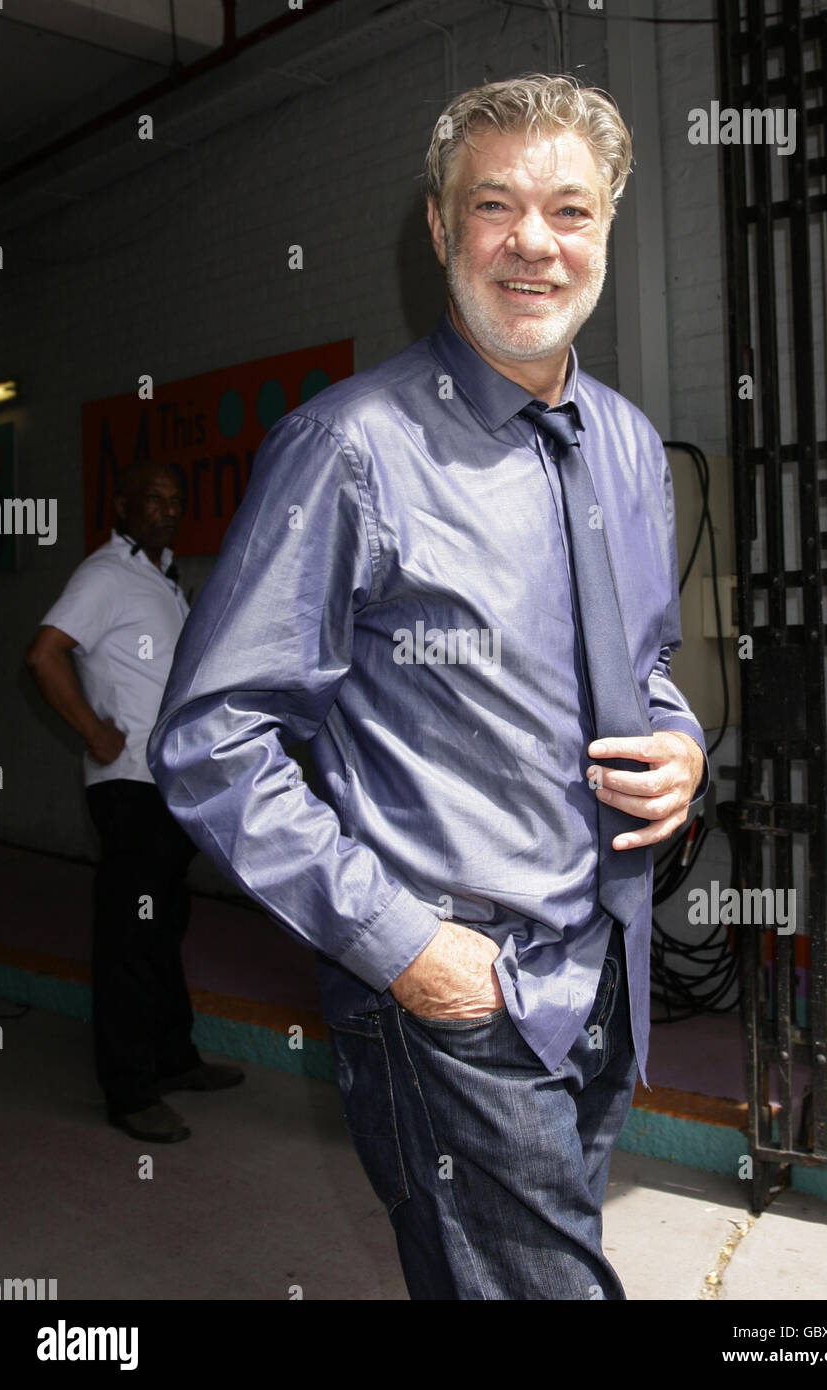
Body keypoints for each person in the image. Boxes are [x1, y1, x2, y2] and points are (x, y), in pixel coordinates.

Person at [147, 74, 708, 1297]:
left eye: (569, 209)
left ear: (605, 228)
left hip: (606, 968)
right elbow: (209, 740)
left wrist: (680, 741)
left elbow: (643, 661)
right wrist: (401, 946)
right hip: (455, 1000)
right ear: (441, 229)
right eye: (493, 204)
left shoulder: (622, 441)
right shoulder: (350, 448)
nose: (532, 241)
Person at [25, 461, 244, 1144]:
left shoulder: (162, 578)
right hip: (128, 786)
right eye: (152, 497)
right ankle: (129, 1091)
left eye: (175, 500)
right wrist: (92, 730)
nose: (165, 509)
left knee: (161, 927)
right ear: (120, 504)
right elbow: (45, 653)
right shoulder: (104, 576)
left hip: (166, 786)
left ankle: (173, 1058)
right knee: (128, 937)